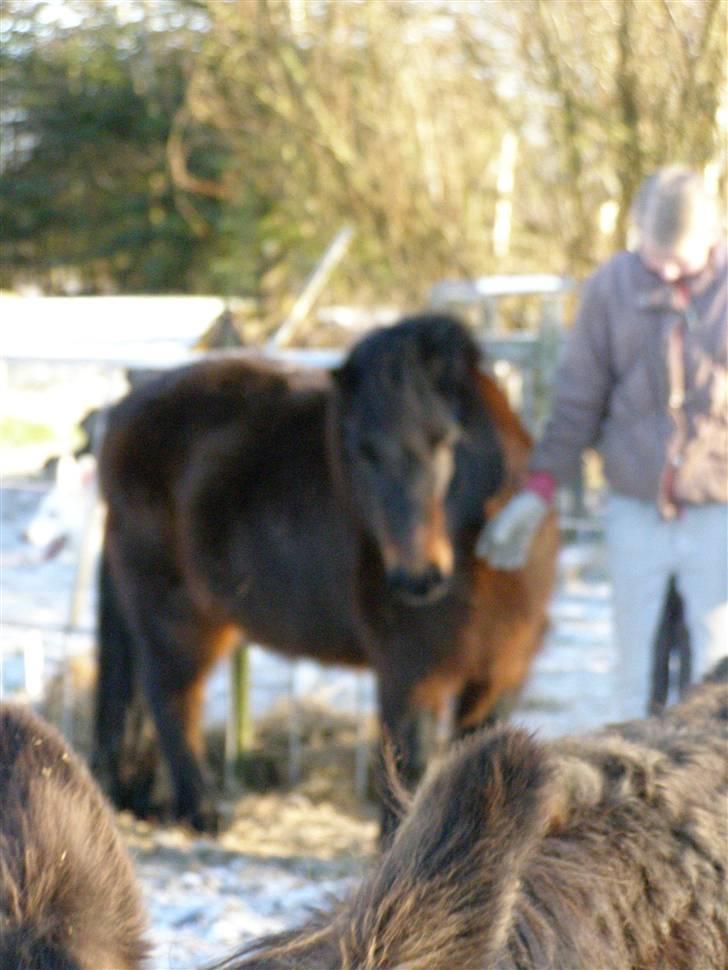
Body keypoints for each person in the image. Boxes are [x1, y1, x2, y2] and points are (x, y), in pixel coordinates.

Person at [479, 166, 727, 719]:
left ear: (711, 238)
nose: (663, 270)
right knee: (633, 672)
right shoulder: (610, 288)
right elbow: (578, 402)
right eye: (653, 254)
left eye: (678, 259)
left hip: (718, 510)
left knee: (714, 669)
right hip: (635, 508)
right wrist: (537, 491)